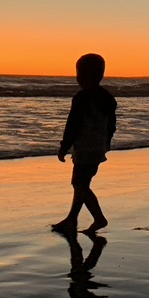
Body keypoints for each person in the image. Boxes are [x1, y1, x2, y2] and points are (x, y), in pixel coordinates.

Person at [53, 53, 118, 234]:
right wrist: (106, 143)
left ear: (81, 75)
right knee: (82, 183)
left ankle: (99, 218)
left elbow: (73, 125)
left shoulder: (82, 98)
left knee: (79, 184)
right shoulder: (107, 98)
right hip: (98, 147)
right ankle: (72, 219)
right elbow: (112, 126)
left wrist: (64, 147)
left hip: (85, 146)